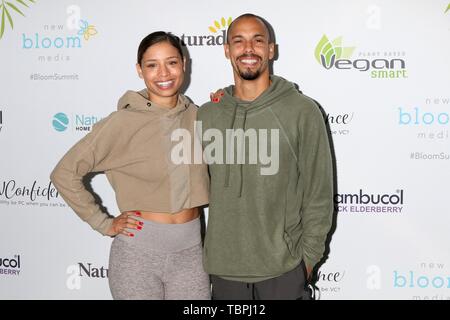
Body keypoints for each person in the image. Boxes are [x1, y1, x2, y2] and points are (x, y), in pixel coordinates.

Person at [50, 31, 211, 300]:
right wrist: (103, 223)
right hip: (138, 255)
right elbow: (64, 173)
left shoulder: (199, 117)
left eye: (171, 62)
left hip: (192, 253)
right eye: (152, 65)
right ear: (139, 70)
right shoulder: (122, 122)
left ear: (184, 63)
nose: (163, 73)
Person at [197, 14, 334, 300]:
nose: (248, 49)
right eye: (239, 41)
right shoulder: (207, 114)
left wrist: (306, 262)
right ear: (226, 50)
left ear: (271, 50)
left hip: (283, 272)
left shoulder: (302, 111)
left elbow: (318, 195)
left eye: (257, 41)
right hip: (223, 274)